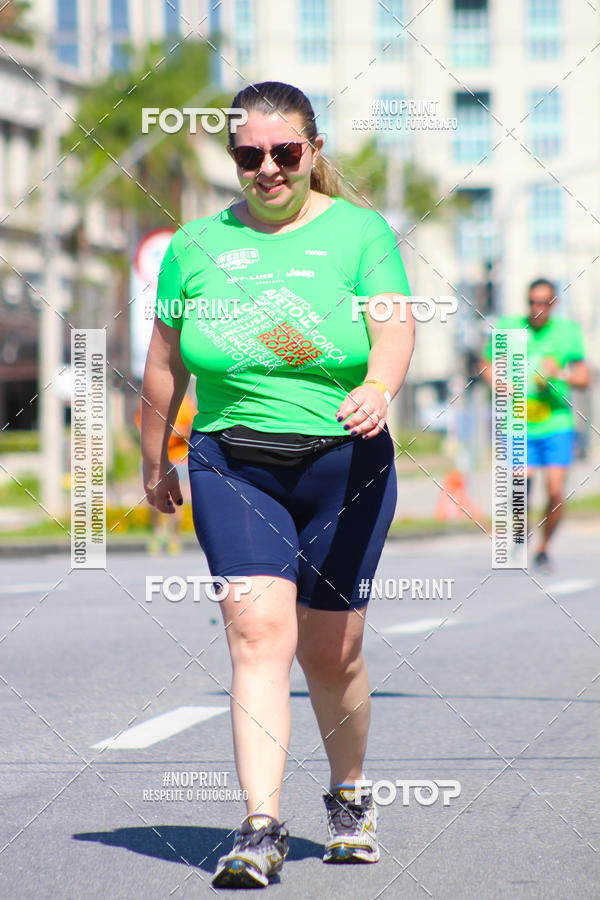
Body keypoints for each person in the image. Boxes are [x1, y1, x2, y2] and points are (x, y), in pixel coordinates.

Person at [141, 81, 414, 889]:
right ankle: (261, 824)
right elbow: (165, 364)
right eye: (249, 155)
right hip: (233, 459)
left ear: (312, 152)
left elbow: (393, 324)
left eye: (284, 152)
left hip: (346, 463)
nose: (268, 168)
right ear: (234, 160)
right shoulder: (194, 247)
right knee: (258, 634)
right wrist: (157, 459)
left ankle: (349, 797)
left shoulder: (360, 233)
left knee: (335, 653)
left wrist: (380, 388)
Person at [481, 278, 590, 571]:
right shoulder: (509, 326)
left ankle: (544, 547)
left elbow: (585, 378)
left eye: (544, 303)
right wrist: (498, 382)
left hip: (555, 424)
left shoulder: (568, 333)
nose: (537, 308)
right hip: (518, 423)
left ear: (554, 304)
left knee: (555, 491)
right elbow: (486, 364)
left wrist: (561, 374)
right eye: (532, 302)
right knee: (520, 484)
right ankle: (520, 534)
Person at [135, 392, 195, 554]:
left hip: (179, 458)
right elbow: (143, 429)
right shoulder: (148, 401)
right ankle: (157, 533)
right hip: (153, 457)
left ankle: (175, 537)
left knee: (178, 502)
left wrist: (170, 432)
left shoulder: (185, 403)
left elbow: (192, 430)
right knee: (153, 498)